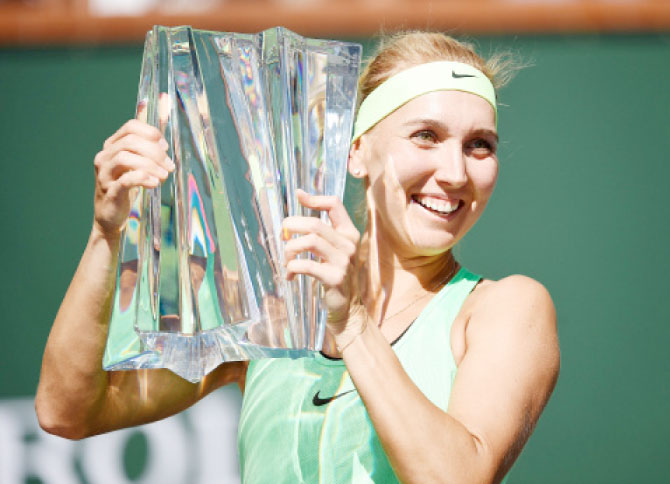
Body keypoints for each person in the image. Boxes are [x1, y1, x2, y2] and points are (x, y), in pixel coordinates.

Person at [36, 31, 560, 484]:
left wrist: (352, 324)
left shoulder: (506, 309)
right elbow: (68, 411)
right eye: (426, 136)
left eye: (479, 145)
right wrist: (107, 234)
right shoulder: (277, 307)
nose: (455, 172)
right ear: (356, 151)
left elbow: (457, 478)